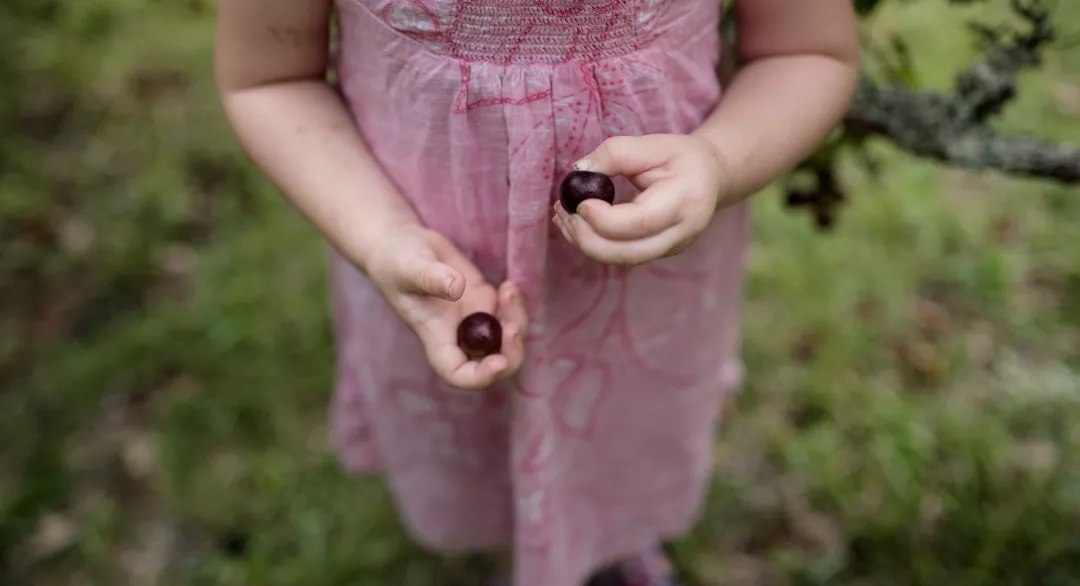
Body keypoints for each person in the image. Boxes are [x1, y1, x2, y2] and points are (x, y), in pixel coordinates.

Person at [212, 0, 859, 582]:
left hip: (642, 293)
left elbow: (806, 49)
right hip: (432, 272)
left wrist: (717, 161)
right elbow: (270, 77)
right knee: (477, 441)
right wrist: (380, 239)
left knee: (617, 434)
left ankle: (611, 547)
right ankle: (509, 551)